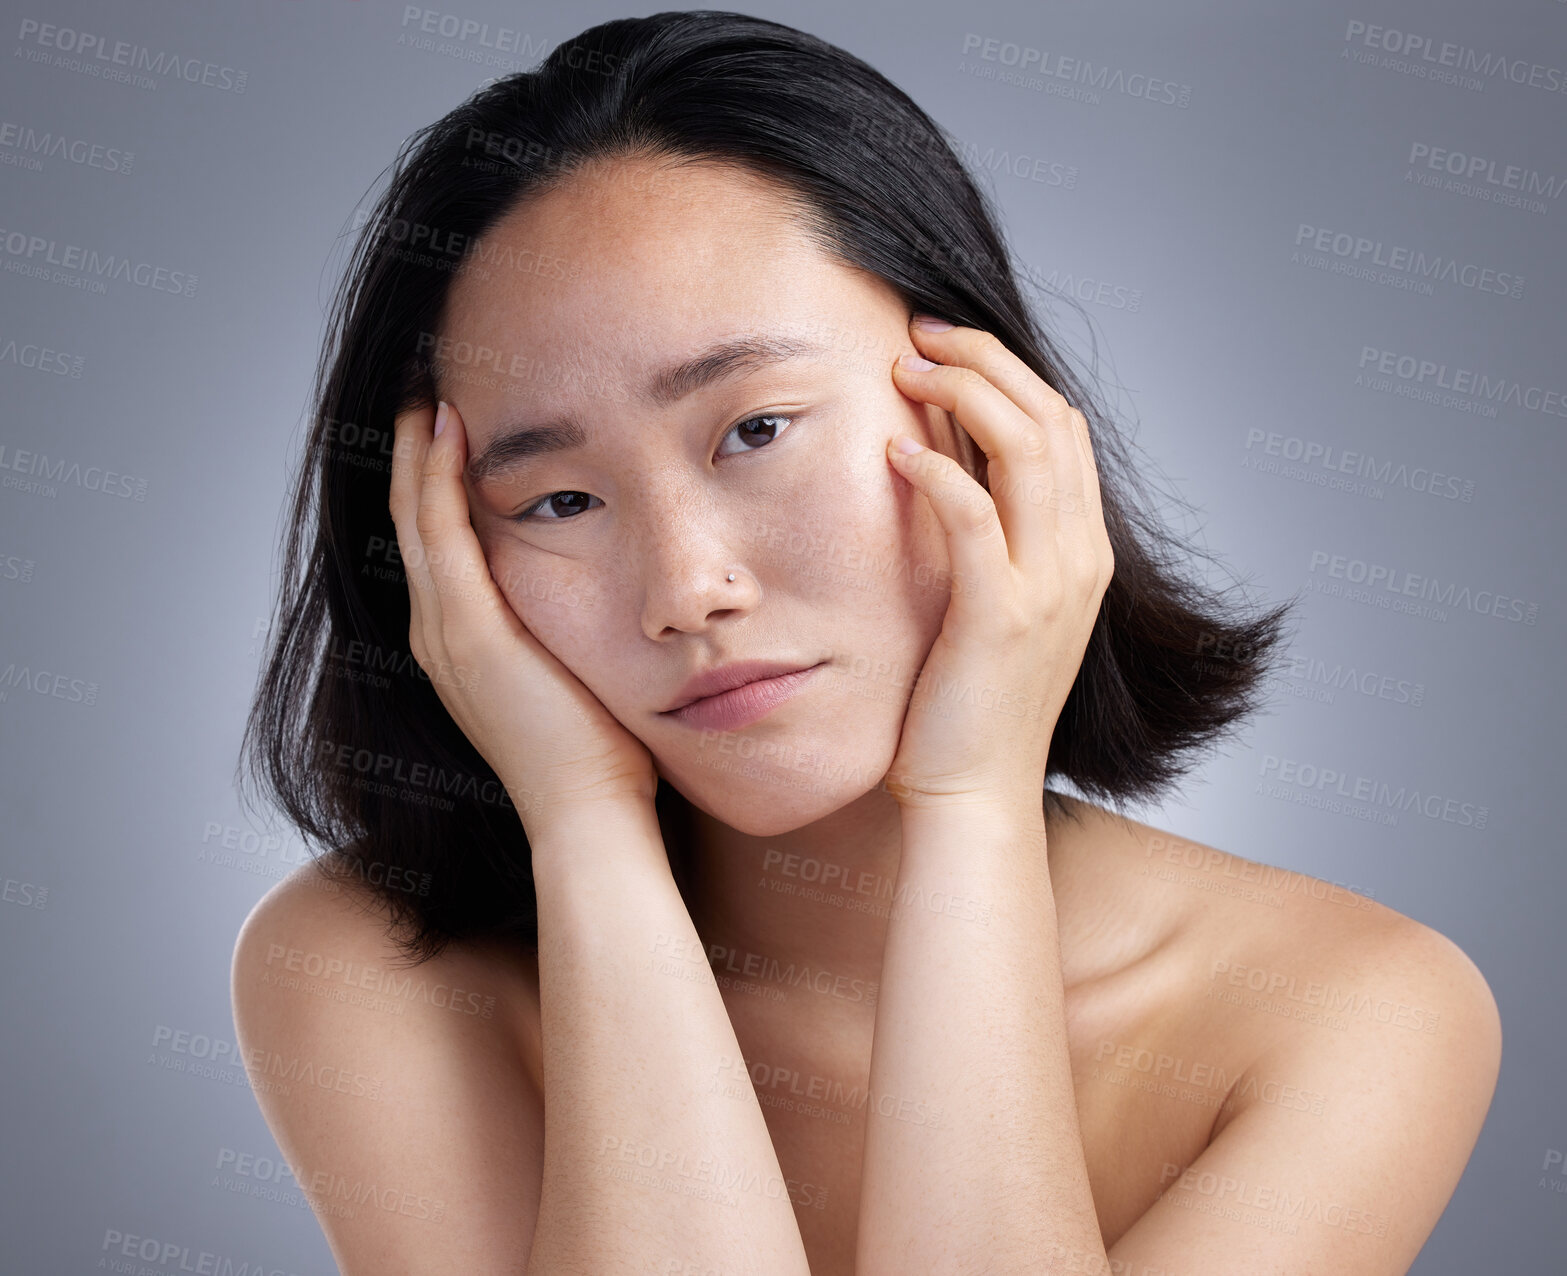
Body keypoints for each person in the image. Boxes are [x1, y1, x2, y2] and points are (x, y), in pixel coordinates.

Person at [230, 12, 1501, 1274]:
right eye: (559, 501)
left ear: (988, 408)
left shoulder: (1351, 1011)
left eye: (758, 429)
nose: (686, 587)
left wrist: (970, 801)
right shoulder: (375, 969)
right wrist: (584, 827)